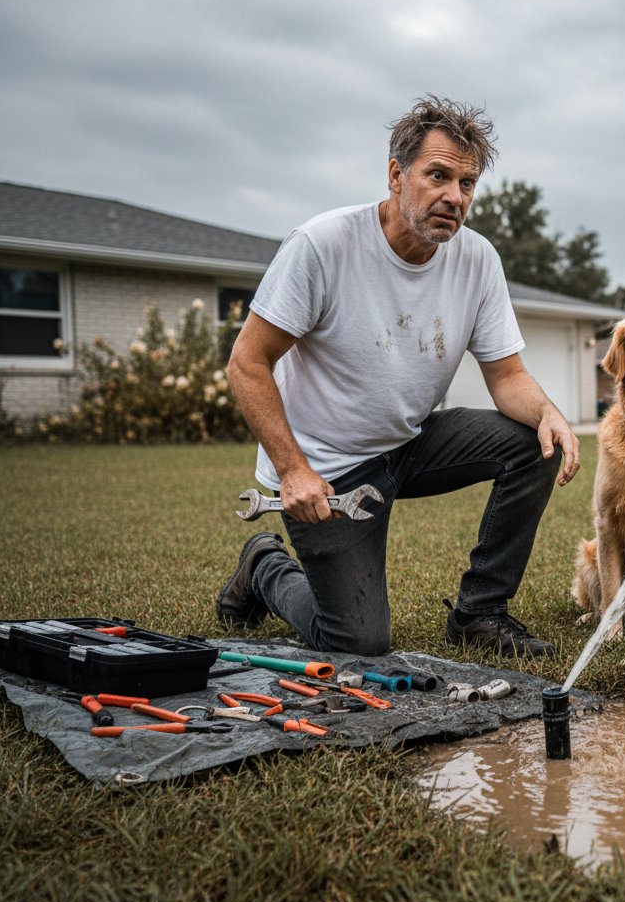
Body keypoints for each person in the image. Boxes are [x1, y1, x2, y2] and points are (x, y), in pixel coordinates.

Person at [216, 95, 580, 659]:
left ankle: (480, 613)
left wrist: (548, 413)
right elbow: (247, 363)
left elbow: (507, 376)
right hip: (328, 470)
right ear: (395, 174)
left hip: (409, 444)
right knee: (358, 641)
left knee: (534, 444)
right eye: (438, 175)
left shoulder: (477, 259)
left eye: (467, 184)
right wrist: (293, 471)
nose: (453, 197)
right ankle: (264, 564)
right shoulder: (323, 245)